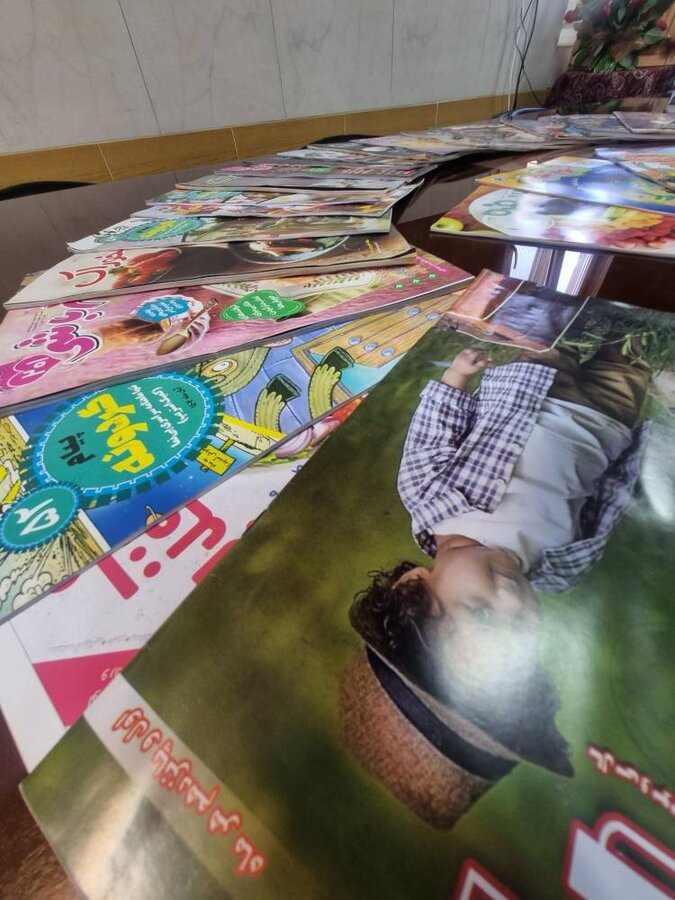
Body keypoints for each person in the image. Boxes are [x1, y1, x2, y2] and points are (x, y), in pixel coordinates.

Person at [340, 339, 651, 828]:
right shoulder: (560, 568)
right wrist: (636, 447)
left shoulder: (429, 496)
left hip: (529, 384)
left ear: (413, 588)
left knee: (565, 334)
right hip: (607, 421)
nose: (510, 600)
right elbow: (606, 504)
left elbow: (433, 436)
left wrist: (457, 379)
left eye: (481, 613)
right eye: (519, 628)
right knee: (632, 358)